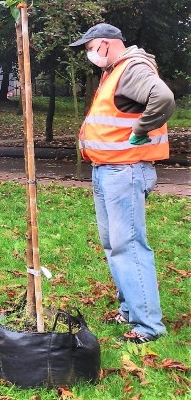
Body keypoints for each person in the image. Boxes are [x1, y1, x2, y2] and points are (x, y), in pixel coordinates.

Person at [69, 23, 175, 344]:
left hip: (124, 172)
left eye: (89, 48)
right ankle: (130, 309)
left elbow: (164, 98)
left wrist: (141, 130)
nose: (88, 54)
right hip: (108, 171)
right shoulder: (116, 70)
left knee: (128, 246)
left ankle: (148, 326)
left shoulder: (132, 68)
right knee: (115, 244)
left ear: (104, 44)